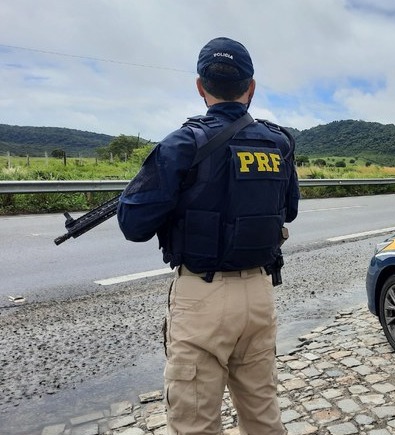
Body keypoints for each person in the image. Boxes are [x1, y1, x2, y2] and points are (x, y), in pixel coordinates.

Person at [117, 37, 299, 435]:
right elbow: (289, 211)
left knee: (195, 422)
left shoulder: (182, 144)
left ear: (200, 86)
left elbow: (133, 226)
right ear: (251, 88)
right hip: (259, 294)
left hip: (202, 297)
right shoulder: (279, 142)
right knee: (264, 416)